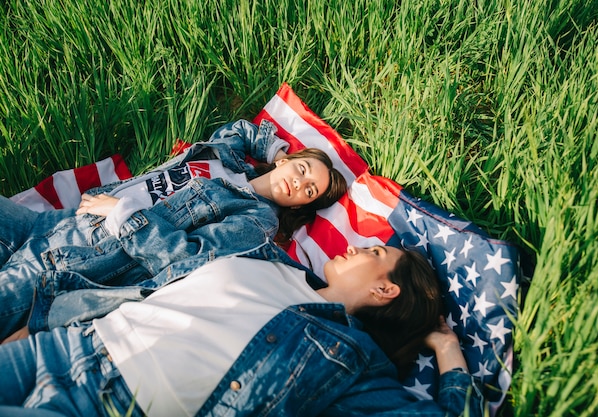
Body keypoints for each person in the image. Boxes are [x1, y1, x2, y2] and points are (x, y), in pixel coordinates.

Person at [0, 245, 485, 416]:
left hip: (116, 405)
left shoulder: (350, 359)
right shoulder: (269, 255)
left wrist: (446, 348)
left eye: (376, 254)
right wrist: (51, 319)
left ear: (386, 291)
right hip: (66, 349)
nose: (359, 247)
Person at [0, 119, 347, 341]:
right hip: (56, 222)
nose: (298, 183)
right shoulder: (229, 157)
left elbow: (186, 258)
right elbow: (240, 130)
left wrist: (122, 213)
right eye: (301, 169)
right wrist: (273, 146)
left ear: (301, 205)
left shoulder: (257, 221)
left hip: (78, 256)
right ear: (285, 161)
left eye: (309, 190)